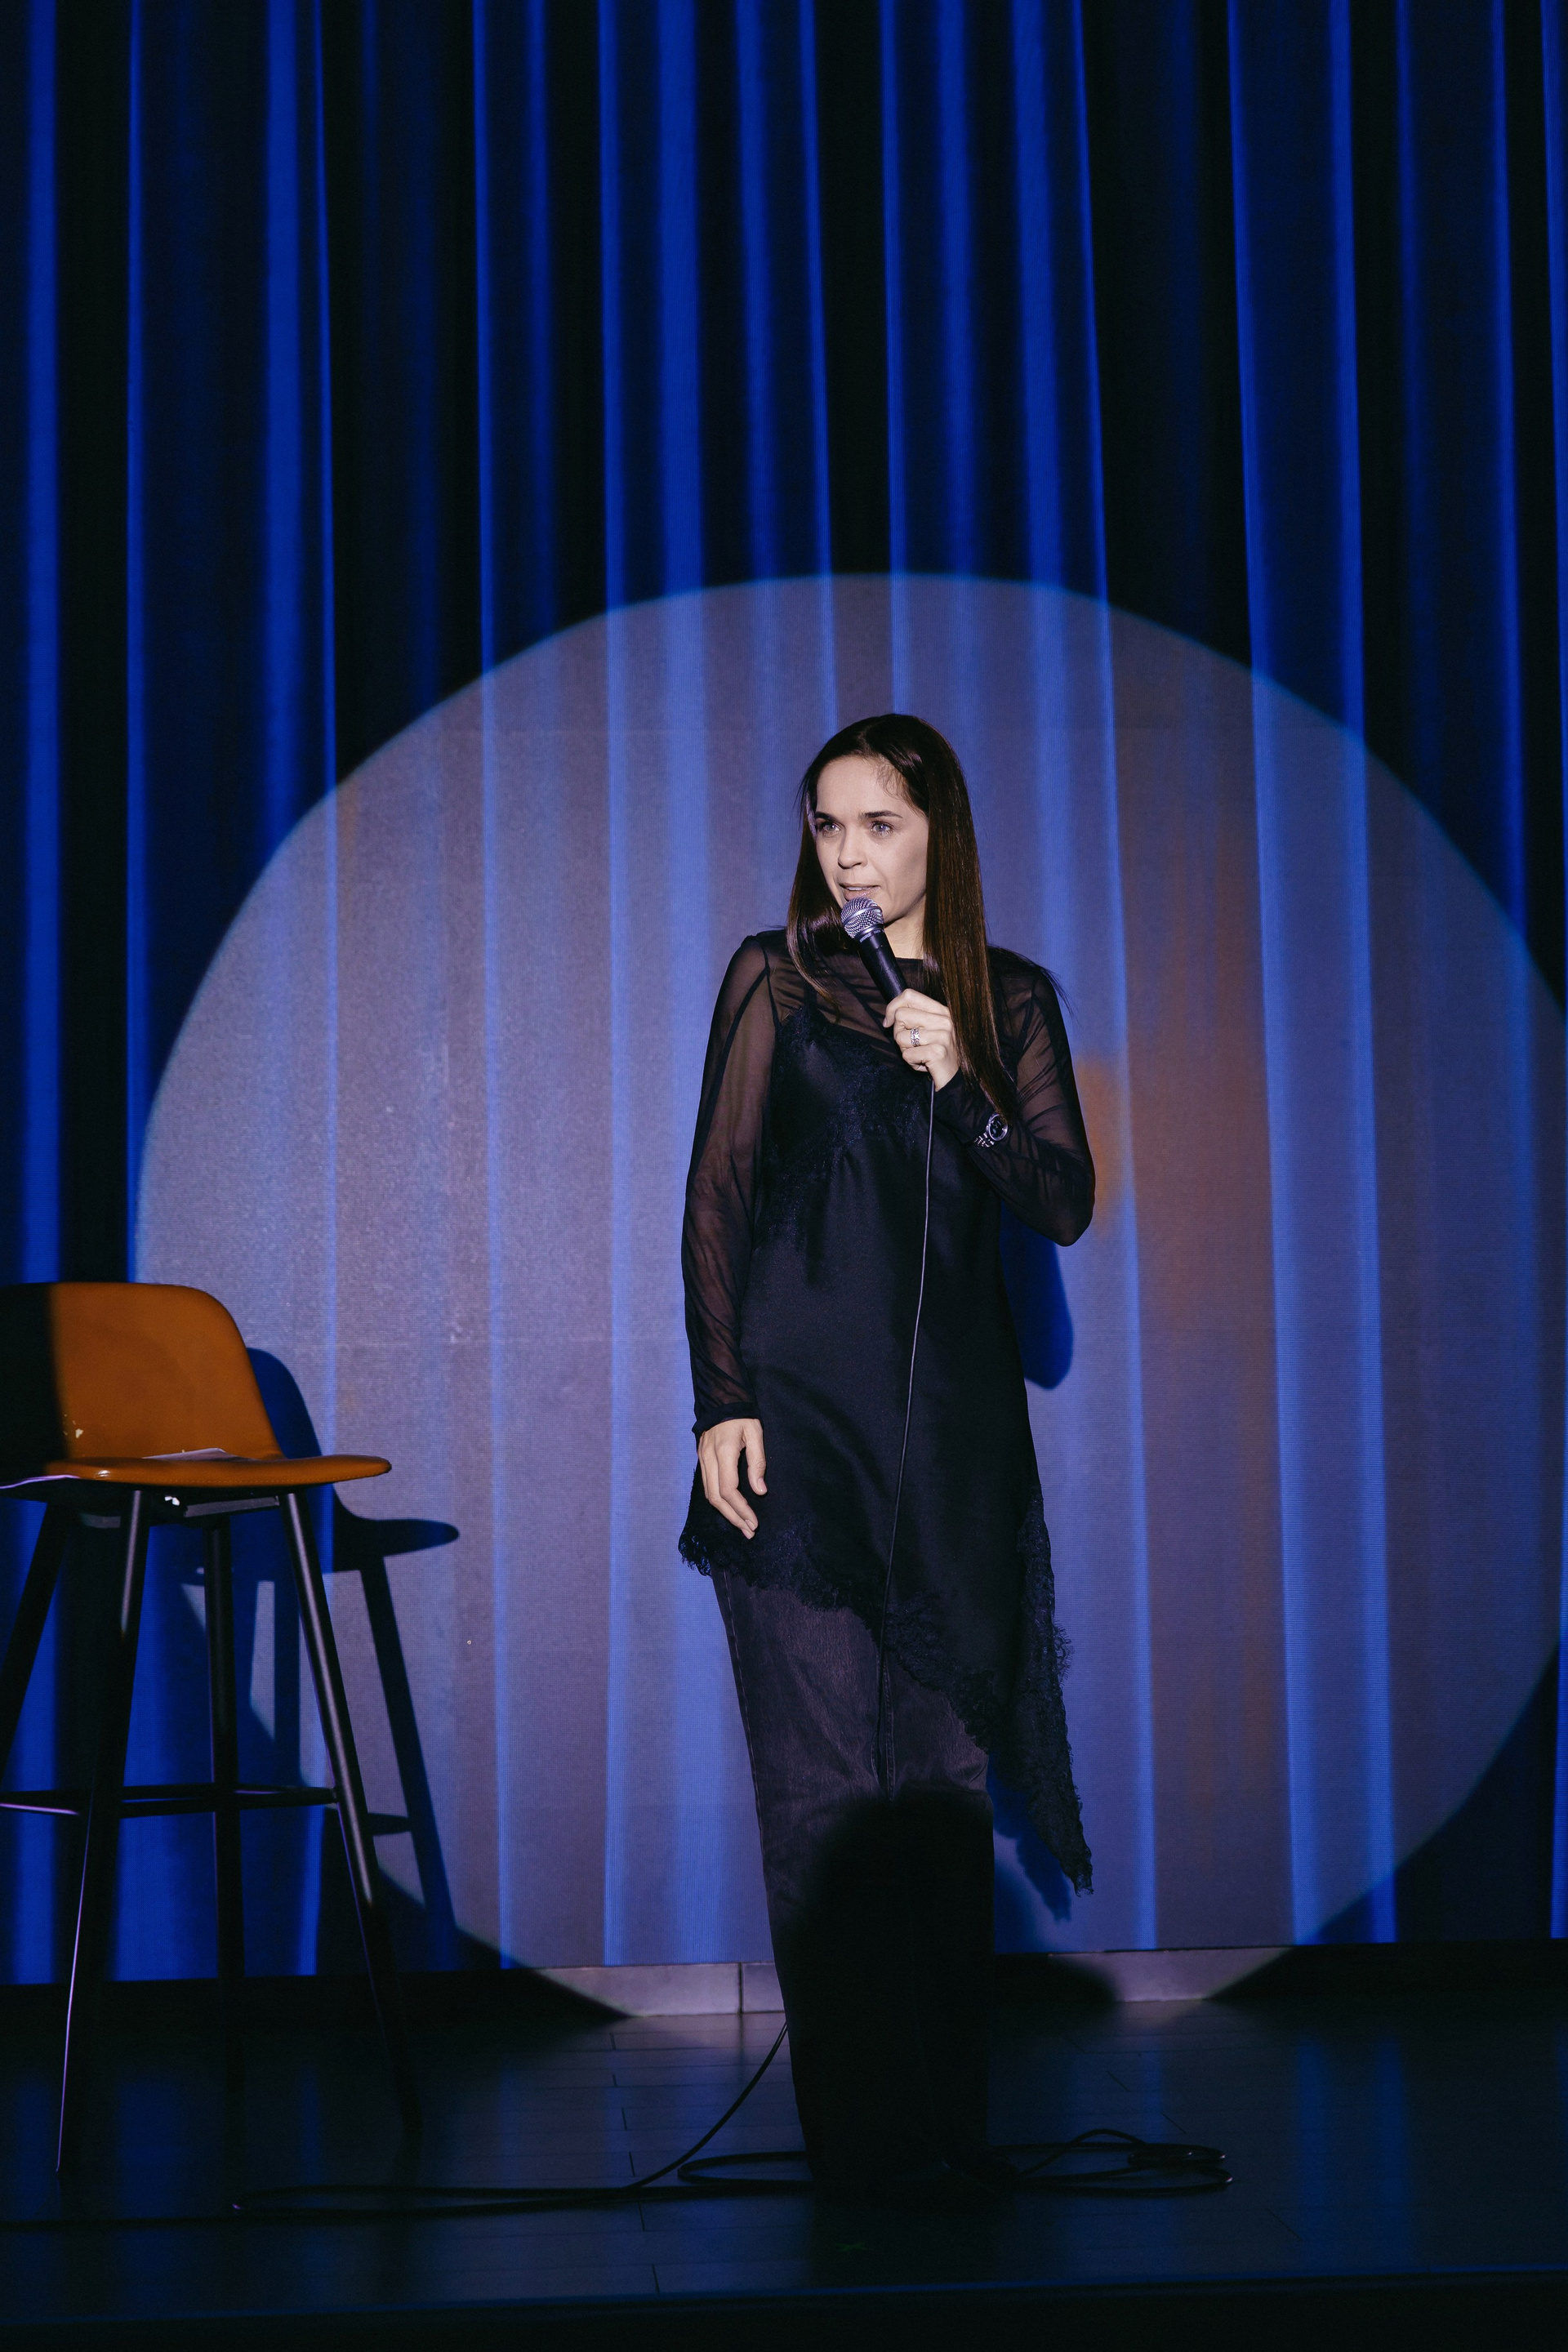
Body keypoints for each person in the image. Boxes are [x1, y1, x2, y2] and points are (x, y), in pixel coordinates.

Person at [679, 714, 1094, 2211]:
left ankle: (943, 2132)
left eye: (879, 825)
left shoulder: (1008, 1000)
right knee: (821, 1800)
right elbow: (717, 1198)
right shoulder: (774, 978)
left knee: (935, 1797)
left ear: (939, 836)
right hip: (797, 1434)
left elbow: (1061, 1202)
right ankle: (860, 2149)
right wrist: (721, 1399)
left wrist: (961, 1077)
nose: (848, 855)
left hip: (954, 1455)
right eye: (827, 825)